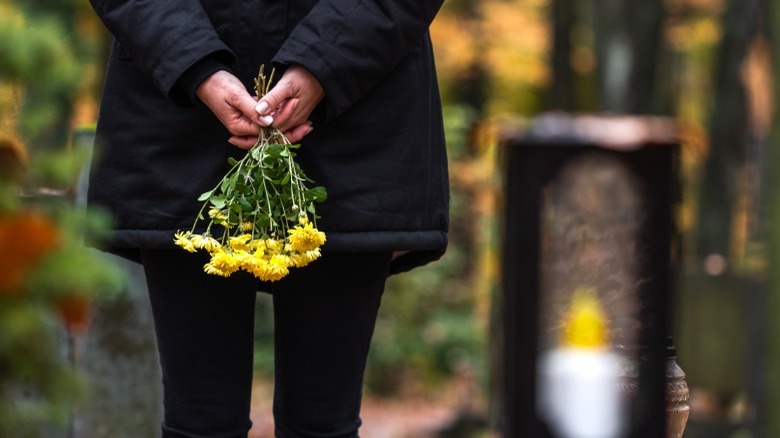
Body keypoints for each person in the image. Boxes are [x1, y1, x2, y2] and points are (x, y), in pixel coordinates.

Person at [86, 1, 449, 437]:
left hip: (358, 111)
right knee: (200, 420)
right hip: (179, 116)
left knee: (322, 421)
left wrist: (323, 63)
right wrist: (195, 66)